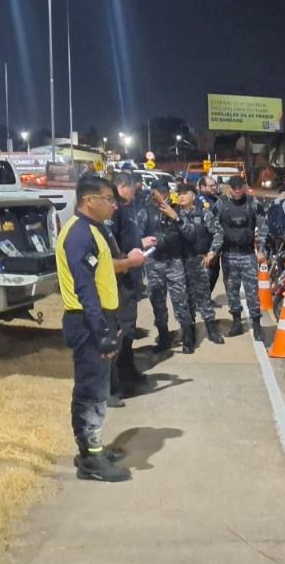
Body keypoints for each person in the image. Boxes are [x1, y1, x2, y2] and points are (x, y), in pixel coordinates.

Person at [57, 174, 138, 483]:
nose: (114, 206)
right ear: (89, 201)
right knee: (91, 391)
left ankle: (94, 447)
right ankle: (90, 459)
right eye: (108, 199)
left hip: (99, 317)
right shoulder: (79, 234)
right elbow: (84, 287)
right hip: (88, 321)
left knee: (98, 388)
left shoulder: (93, 229)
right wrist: (101, 329)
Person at [107, 172, 157, 400]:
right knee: (121, 331)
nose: (134, 195)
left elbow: (127, 238)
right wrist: (130, 254)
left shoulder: (125, 207)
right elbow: (112, 246)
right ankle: (113, 383)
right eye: (132, 191)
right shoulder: (113, 210)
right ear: (122, 187)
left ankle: (127, 370)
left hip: (130, 276)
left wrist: (140, 243)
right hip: (120, 276)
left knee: (128, 327)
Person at [216, 175, 268, 341]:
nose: (237, 189)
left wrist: (260, 249)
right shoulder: (221, 203)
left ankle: (257, 325)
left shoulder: (253, 203)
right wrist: (212, 247)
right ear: (229, 188)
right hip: (228, 254)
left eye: (240, 187)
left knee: (252, 291)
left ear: (244, 187)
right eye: (234, 187)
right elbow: (211, 224)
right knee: (231, 291)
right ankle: (237, 323)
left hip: (247, 254)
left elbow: (263, 226)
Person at [142, 180, 191, 354]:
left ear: (166, 193)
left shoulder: (177, 209)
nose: (157, 196)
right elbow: (138, 234)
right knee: (157, 301)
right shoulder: (146, 210)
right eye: (155, 192)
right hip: (154, 261)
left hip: (174, 261)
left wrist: (175, 217)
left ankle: (187, 337)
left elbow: (189, 232)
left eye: (161, 192)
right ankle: (163, 336)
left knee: (180, 301)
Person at [177, 183, 225, 352]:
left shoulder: (204, 213)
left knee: (204, 298)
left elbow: (218, 233)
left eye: (185, 193)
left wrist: (212, 253)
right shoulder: (174, 214)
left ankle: (212, 331)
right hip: (180, 263)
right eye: (179, 193)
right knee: (185, 300)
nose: (181, 196)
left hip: (199, 261)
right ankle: (188, 335)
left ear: (193, 196)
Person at [198, 177, 223, 290]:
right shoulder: (201, 201)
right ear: (203, 187)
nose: (214, 187)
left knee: (214, 272)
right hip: (204, 245)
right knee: (206, 275)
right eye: (211, 185)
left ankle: (206, 300)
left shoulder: (214, 199)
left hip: (214, 242)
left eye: (214, 185)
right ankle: (202, 302)